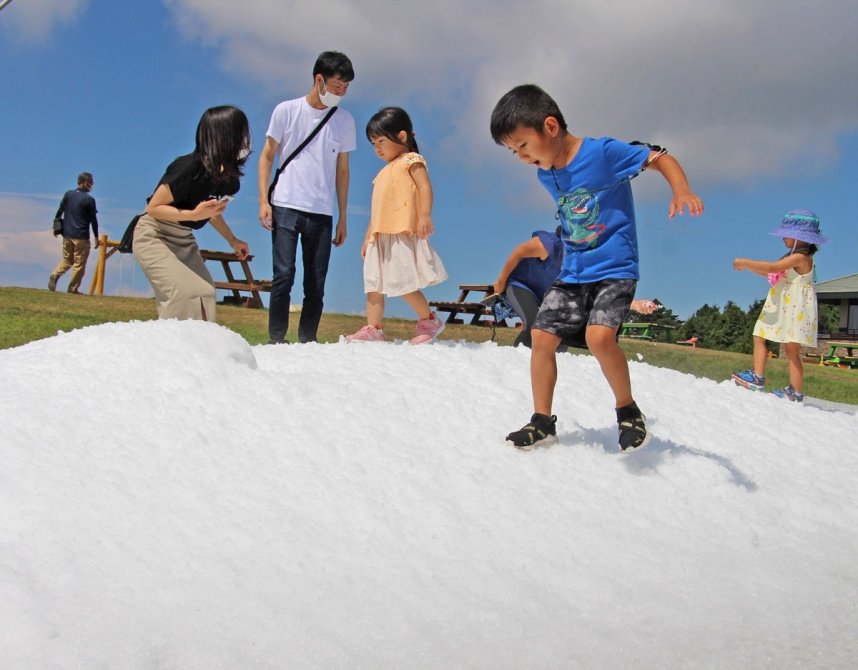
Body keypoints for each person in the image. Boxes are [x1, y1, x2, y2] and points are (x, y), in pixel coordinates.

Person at [489, 84, 704, 451]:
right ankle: (542, 421)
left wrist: (681, 190)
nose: (522, 158)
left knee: (599, 338)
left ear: (551, 127)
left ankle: (628, 411)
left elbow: (658, 157)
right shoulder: (546, 174)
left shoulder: (602, 153)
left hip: (615, 267)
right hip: (573, 271)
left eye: (524, 146)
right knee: (541, 337)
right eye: (514, 153)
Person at [258, 51, 357, 343]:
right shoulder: (286, 110)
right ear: (319, 79)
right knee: (283, 276)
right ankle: (276, 340)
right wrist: (263, 200)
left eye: (346, 88)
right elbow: (266, 156)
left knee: (316, 283)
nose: (342, 93)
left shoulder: (344, 120)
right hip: (286, 204)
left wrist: (343, 217)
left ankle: (307, 342)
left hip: (322, 212)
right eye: (337, 86)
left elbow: (343, 171)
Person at [132, 105, 251, 322]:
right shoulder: (188, 167)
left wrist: (232, 240)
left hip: (183, 238)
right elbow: (155, 208)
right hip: (154, 235)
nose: (246, 140)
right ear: (224, 136)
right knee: (182, 293)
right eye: (241, 133)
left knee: (204, 291)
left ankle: (200, 350)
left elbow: (211, 213)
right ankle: (172, 350)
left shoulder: (229, 179)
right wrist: (193, 215)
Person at [346, 107, 448, 344]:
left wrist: (424, 216)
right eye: (373, 143)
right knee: (373, 284)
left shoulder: (412, 160)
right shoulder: (382, 173)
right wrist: (367, 237)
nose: (377, 148)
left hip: (400, 231)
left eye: (381, 141)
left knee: (403, 282)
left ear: (402, 136)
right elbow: (377, 210)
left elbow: (425, 188)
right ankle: (373, 328)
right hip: (379, 236)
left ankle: (429, 321)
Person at [731, 210, 827, 402]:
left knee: (792, 349)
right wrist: (751, 268)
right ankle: (759, 377)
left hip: (794, 309)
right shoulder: (792, 256)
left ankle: (794, 391)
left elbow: (771, 268)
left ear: (799, 238)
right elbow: (771, 272)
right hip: (784, 306)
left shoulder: (801, 258)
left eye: (787, 234)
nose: (783, 237)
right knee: (760, 334)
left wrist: (745, 262)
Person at [48, 172, 100, 294]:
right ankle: (73, 288)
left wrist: (56, 227)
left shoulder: (68, 194)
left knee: (67, 260)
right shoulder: (89, 200)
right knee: (79, 264)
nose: (92, 186)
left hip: (67, 234)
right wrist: (96, 237)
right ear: (86, 183)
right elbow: (93, 220)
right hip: (81, 236)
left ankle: (55, 274)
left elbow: (59, 211)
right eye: (91, 183)